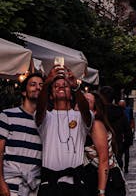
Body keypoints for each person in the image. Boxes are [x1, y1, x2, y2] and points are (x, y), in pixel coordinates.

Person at [36, 65, 93, 196]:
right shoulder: (46, 117)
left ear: (71, 95)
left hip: (76, 183)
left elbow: (86, 111)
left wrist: (76, 87)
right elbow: (39, 109)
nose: (61, 87)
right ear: (50, 96)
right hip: (50, 184)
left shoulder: (80, 116)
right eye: (56, 86)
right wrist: (46, 84)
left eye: (65, 85)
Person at [0, 72, 44, 196]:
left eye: (41, 85)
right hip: (9, 185)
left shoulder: (46, 122)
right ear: (24, 92)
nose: (38, 87)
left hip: (33, 187)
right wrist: (1, 183)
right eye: (33, 84)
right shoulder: (7, 115)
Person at [82, 92, 125, 196]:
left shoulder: (96, 125)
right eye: (81, 99)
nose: (82, 102)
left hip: (107, 182)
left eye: (87, 101)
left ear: (95, 111)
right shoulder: (82, 125)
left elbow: (104, 159)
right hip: (94, 178)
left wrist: (101, 191)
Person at [99, 88, 130, 169]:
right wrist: (124, 147)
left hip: (100, 148)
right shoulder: (120, 113)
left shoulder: (99, 113)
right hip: (117, 145)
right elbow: (128, 132)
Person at [117, 100, 134, 174]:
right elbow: (132, 121)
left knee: (122, 153)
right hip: (123, 135)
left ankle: (124, 167)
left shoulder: (121, 112)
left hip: (124, 135)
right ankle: (124, 167)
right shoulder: (127, 110)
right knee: (123, 153)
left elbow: (132, 121)